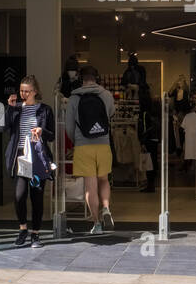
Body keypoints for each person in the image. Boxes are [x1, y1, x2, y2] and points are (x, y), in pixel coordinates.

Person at [6, 75, 55, 248]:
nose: (23, 94)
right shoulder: (16, 108)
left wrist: (42, 131)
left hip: (37, 157)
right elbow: (5, 128)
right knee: (19, 196)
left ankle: (35, 233)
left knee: (37, 197)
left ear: (35, 91)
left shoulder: (45, 110)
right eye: (21, 91)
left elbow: (52, 135)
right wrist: (10, 109)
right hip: (21, 157)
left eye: (27, 91)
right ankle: (23, 229)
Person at [66, 66, 115, 233]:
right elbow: (110, 115)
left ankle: (97, 223)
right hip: (103, 143)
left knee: (90, 186)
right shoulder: (106, 95)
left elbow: (69, 126)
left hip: (83, 145)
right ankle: (106, 209)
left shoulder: (74, 98)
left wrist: (77, 141)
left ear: (81, 78)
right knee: (104, 179)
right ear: (97, 78)